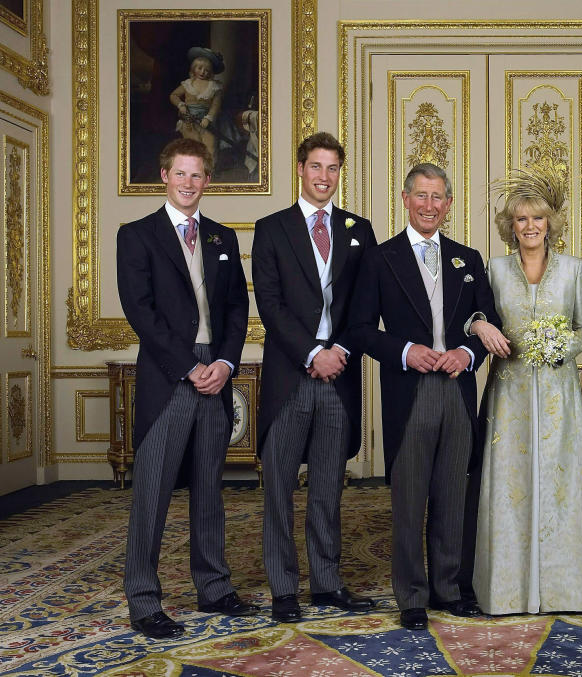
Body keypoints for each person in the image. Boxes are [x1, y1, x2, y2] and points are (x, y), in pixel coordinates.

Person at [116, 138, 257, 639]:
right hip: (168, 374)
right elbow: (141, 313)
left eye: (197, 176)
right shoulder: (137, 236)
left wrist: (223, 362)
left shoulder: (221, 237)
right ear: (163, 176)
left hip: (215, 372)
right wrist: (187, 367)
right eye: (181, 174)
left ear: (207, 181)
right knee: (151, 492)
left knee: (209, 491)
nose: (189, 184)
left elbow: (238, 309)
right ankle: (143, 599)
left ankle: (214, 587)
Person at [350, 163, 501, 631]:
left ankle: (449, 589)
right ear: (404, 198)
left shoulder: (468, 259)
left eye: (438, 198)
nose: (429, 206)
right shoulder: (380, 259)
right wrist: (404, 351)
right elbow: (358, 329)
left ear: (449, 205)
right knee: (410, 498)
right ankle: (412, 596)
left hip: (456, 391)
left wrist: (466, 353)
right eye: (421, 196)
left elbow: (488, 321)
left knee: (453, 495)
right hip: (409, 391)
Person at [253, 132, 377, 623]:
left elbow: (365, 304)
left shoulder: (358, 229)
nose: (324, 177)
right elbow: (270, 304)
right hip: (291, 376)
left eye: (333, 169)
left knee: (327, 489)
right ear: (300, 168)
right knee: (279, 489)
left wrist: (339, 350)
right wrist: (311, 354)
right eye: (316, 167)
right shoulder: (272, 228)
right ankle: (284, 588)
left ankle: (327, 584)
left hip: (339, 376)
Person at [469, 170, 582, 615]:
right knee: (511, 486)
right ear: (511, 226)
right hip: (511, 394)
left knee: (561, 486)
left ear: (550, 223)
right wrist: (479, 324)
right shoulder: (496, 269)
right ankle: (507, 592)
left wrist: (565, 345)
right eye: (520, 219)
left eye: (537, 219)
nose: (529, 227)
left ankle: (566, 591)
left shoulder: (573, 269)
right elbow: (475, 314)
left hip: (560, 395)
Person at [170, 47, 224, 168]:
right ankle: (195, 170)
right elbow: (173, 95)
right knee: (194, 146)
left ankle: (209, 171)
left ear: (211, 72)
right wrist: (181, 105)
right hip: (189, 122)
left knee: (211, 146)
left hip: (206, 123)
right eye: (200, 68)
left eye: (207, 70)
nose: (203, 72)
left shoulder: (215, 86)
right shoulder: (188, 83)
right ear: (194, 68)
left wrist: (208, 118)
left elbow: (216, 105)